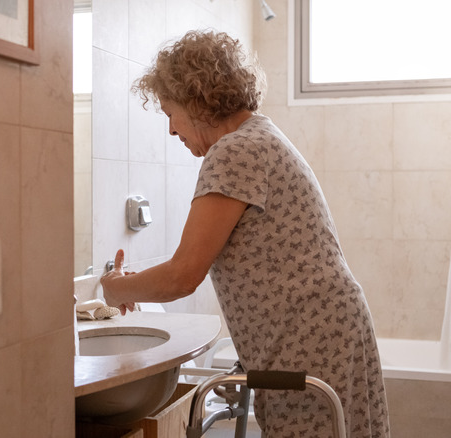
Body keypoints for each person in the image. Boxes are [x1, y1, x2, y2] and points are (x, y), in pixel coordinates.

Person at [100, 30, 389, 437]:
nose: (170, 130)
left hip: (309, 338)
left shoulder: (235, 151)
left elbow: (184, 274)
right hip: (324, 330)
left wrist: (117, 289)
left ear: (196, 97)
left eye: (170, 113)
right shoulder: (260, 137)